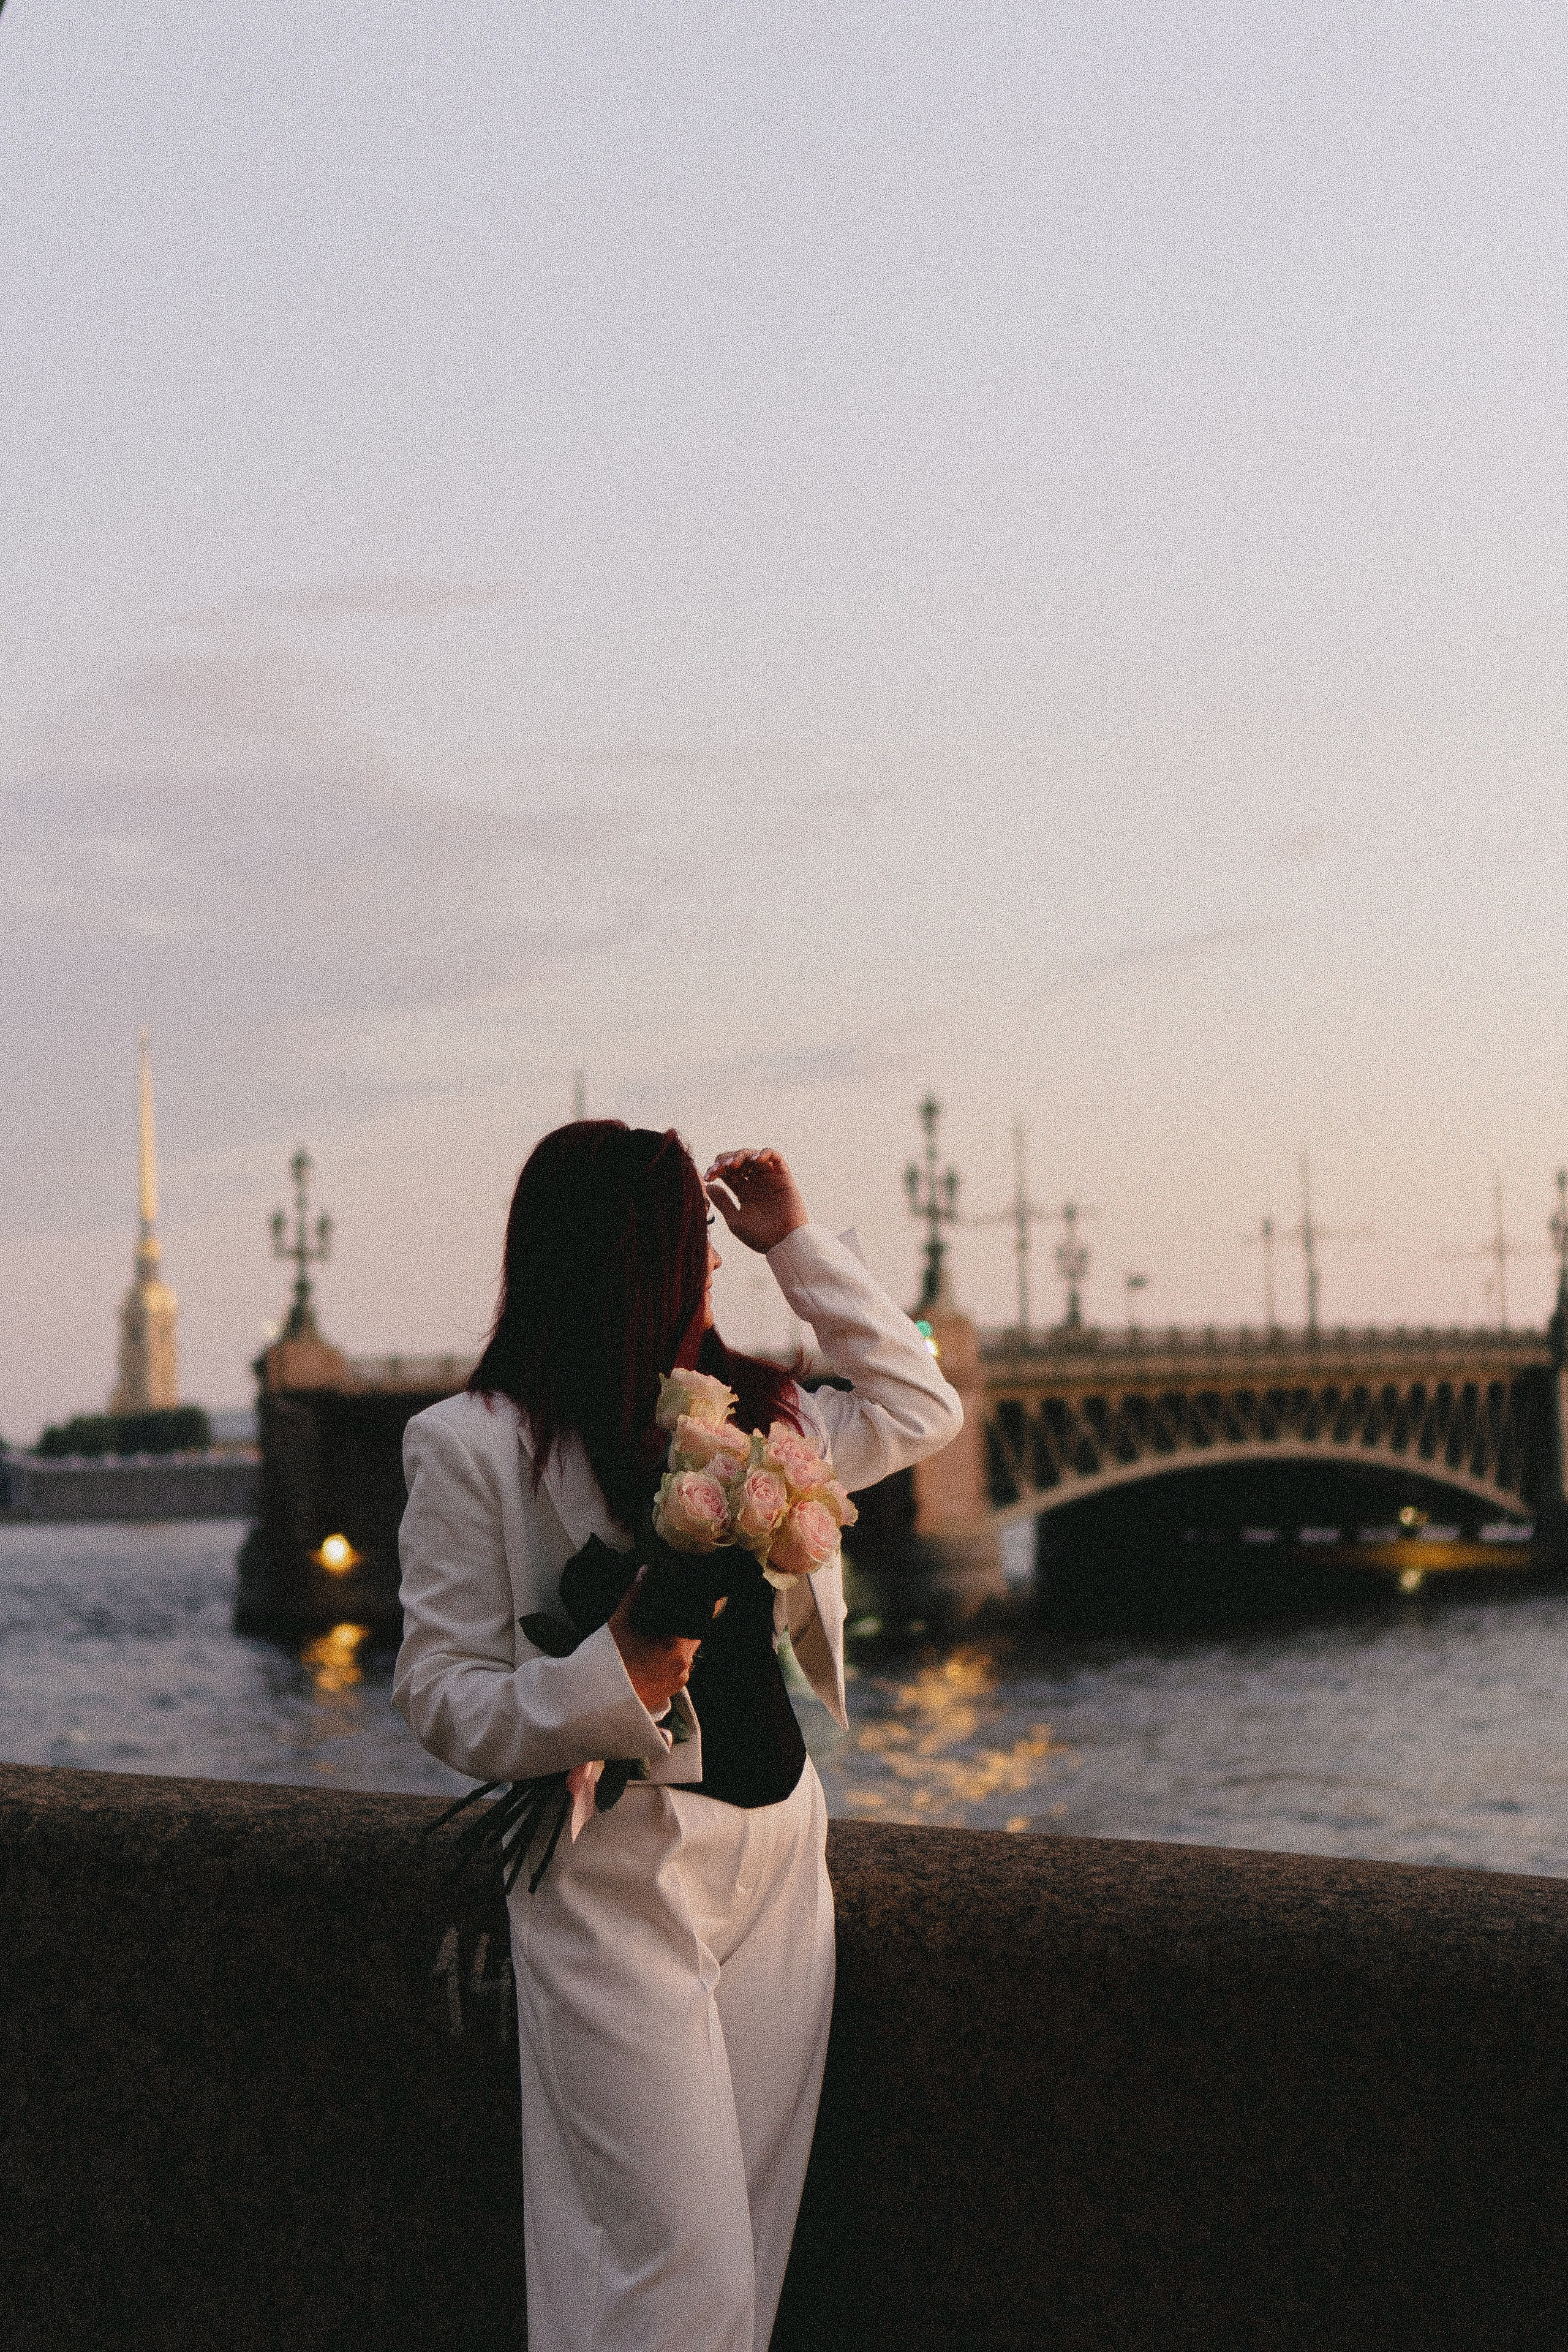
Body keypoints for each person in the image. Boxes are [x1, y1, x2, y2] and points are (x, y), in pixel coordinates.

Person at [394, 1124, 962, 2352]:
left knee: (741, 2260)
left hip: (774, 1855)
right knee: (679, 2273)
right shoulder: (472, 1445)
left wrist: (794, 1246)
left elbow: (918, 1402)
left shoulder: (762, 1414)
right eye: (693, 1241)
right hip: (614, 1874)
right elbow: (439, 1695)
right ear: (623, 1257)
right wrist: (616, 1674)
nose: (710, 1264)